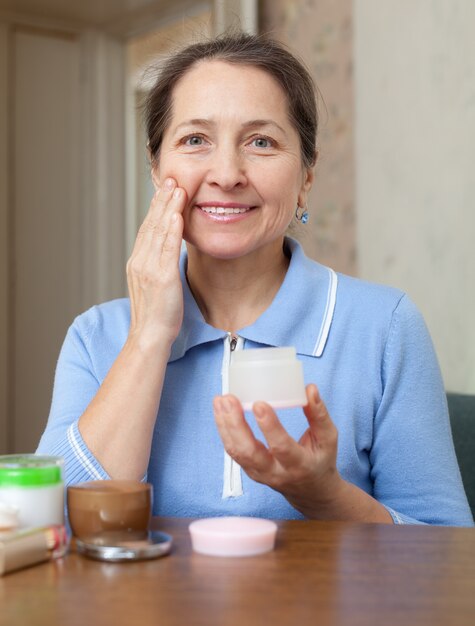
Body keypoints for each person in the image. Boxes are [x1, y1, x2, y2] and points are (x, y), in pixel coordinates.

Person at [37, 33, 473, 526]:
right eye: (195, 139)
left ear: (306, 176)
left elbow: (450, 559)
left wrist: (324, 495)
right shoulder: (96, 338)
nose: (226, 173)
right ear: (157, 170)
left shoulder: (386, 328)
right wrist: (149, 337)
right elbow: (54, 533)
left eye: (261, 141)